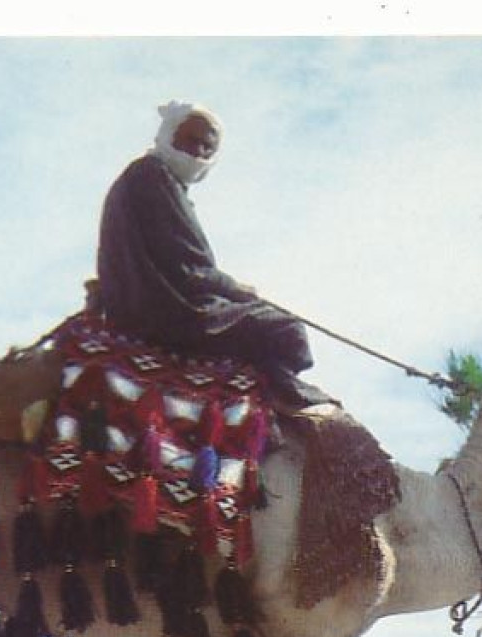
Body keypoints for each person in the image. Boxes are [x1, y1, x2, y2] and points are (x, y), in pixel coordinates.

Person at [95, 101, 337, 413]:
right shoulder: (153, 177)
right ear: (168, 134)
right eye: (190, 140)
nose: (197, 152)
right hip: (166, 309)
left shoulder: (153, 179)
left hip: (145, 303)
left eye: (206, 147)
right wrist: (236, 290)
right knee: (286, 330)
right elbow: (191, 270)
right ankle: (280, 388)